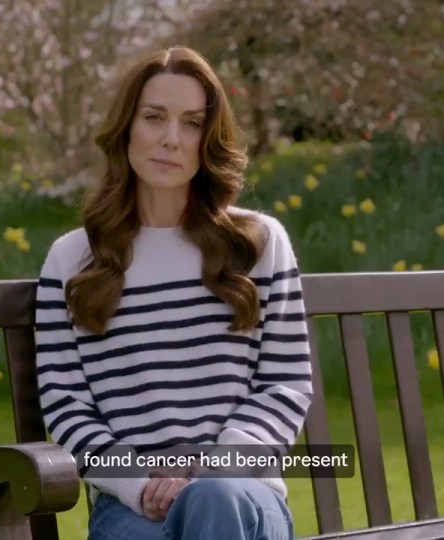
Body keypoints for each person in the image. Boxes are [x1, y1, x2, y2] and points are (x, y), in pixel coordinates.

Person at [34, 45, 313, 540]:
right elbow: (66, 403)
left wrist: (217, 465)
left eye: (191, 123)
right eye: (154, 117)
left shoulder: (258, 245)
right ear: (127, 128)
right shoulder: (73, 260)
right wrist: (141, 484)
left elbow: (285, 383)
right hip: (130, 507)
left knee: (214, 500)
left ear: (209, 139)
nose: (170, 139)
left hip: (242, 493)